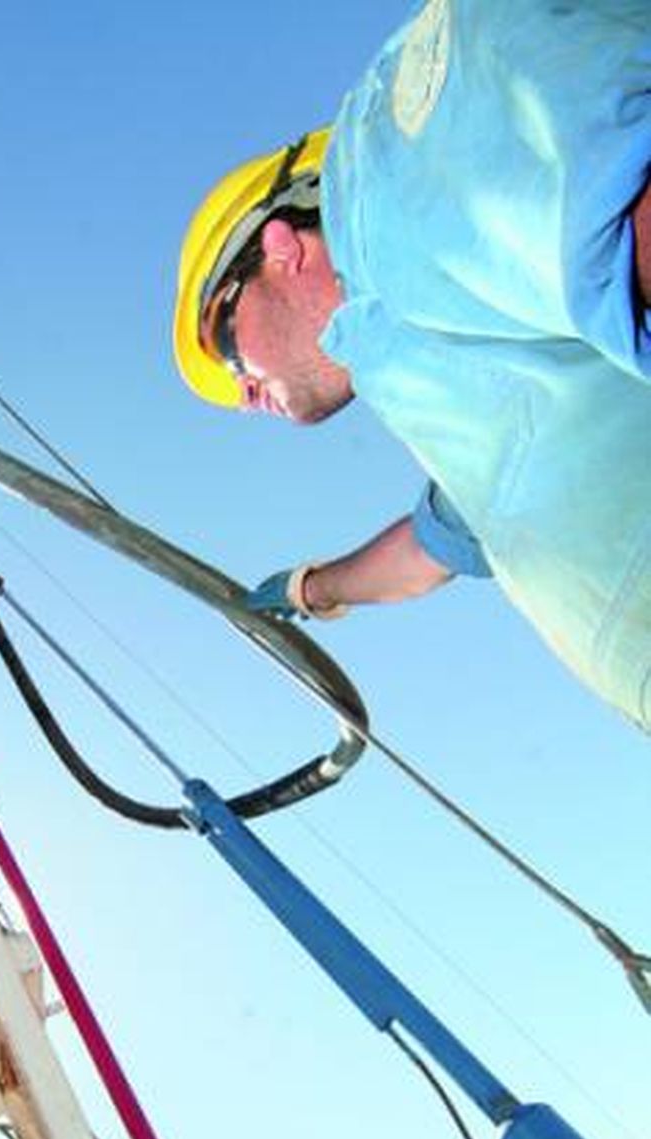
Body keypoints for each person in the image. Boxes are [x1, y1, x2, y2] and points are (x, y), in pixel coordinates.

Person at [172, 0, 651, 729]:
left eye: (228, 348)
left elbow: (616, 214)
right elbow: (435, 546)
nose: (243, 393)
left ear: (279, 248)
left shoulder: (387, 186)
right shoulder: (436, 361)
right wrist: (311, 589)